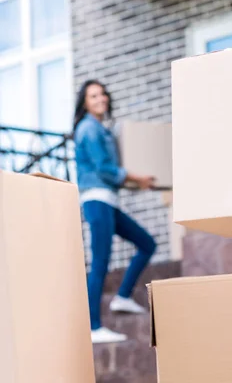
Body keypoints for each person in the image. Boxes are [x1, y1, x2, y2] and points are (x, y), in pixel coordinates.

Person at [74, 79, 157, 344]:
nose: (101, 99)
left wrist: (135, 182)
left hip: (108, 201)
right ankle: (94, 327)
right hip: (97, 201)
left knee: (146, 243)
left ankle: (122, 296)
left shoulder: (101, 128)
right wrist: (137, 178)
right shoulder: (88, 128)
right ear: (85, 102)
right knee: (100, 263)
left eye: (102, 94)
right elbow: (104, 170)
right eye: (93, 96)